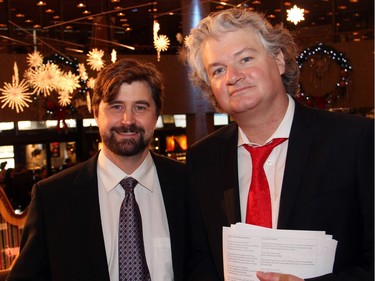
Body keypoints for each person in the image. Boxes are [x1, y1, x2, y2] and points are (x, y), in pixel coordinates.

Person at [183, 8, 373, 281]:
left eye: (245, 59)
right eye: (218, 70)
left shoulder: (355, 140)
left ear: (279, 60)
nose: (233, 76)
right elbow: (200, 257)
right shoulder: (203, 159)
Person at [7, 59, 188, 281]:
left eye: (140, 107)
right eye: (116, 106)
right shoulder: (52, 198)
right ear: (96, 113)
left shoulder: (187, 185)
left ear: (156, 115)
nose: (127, 120)